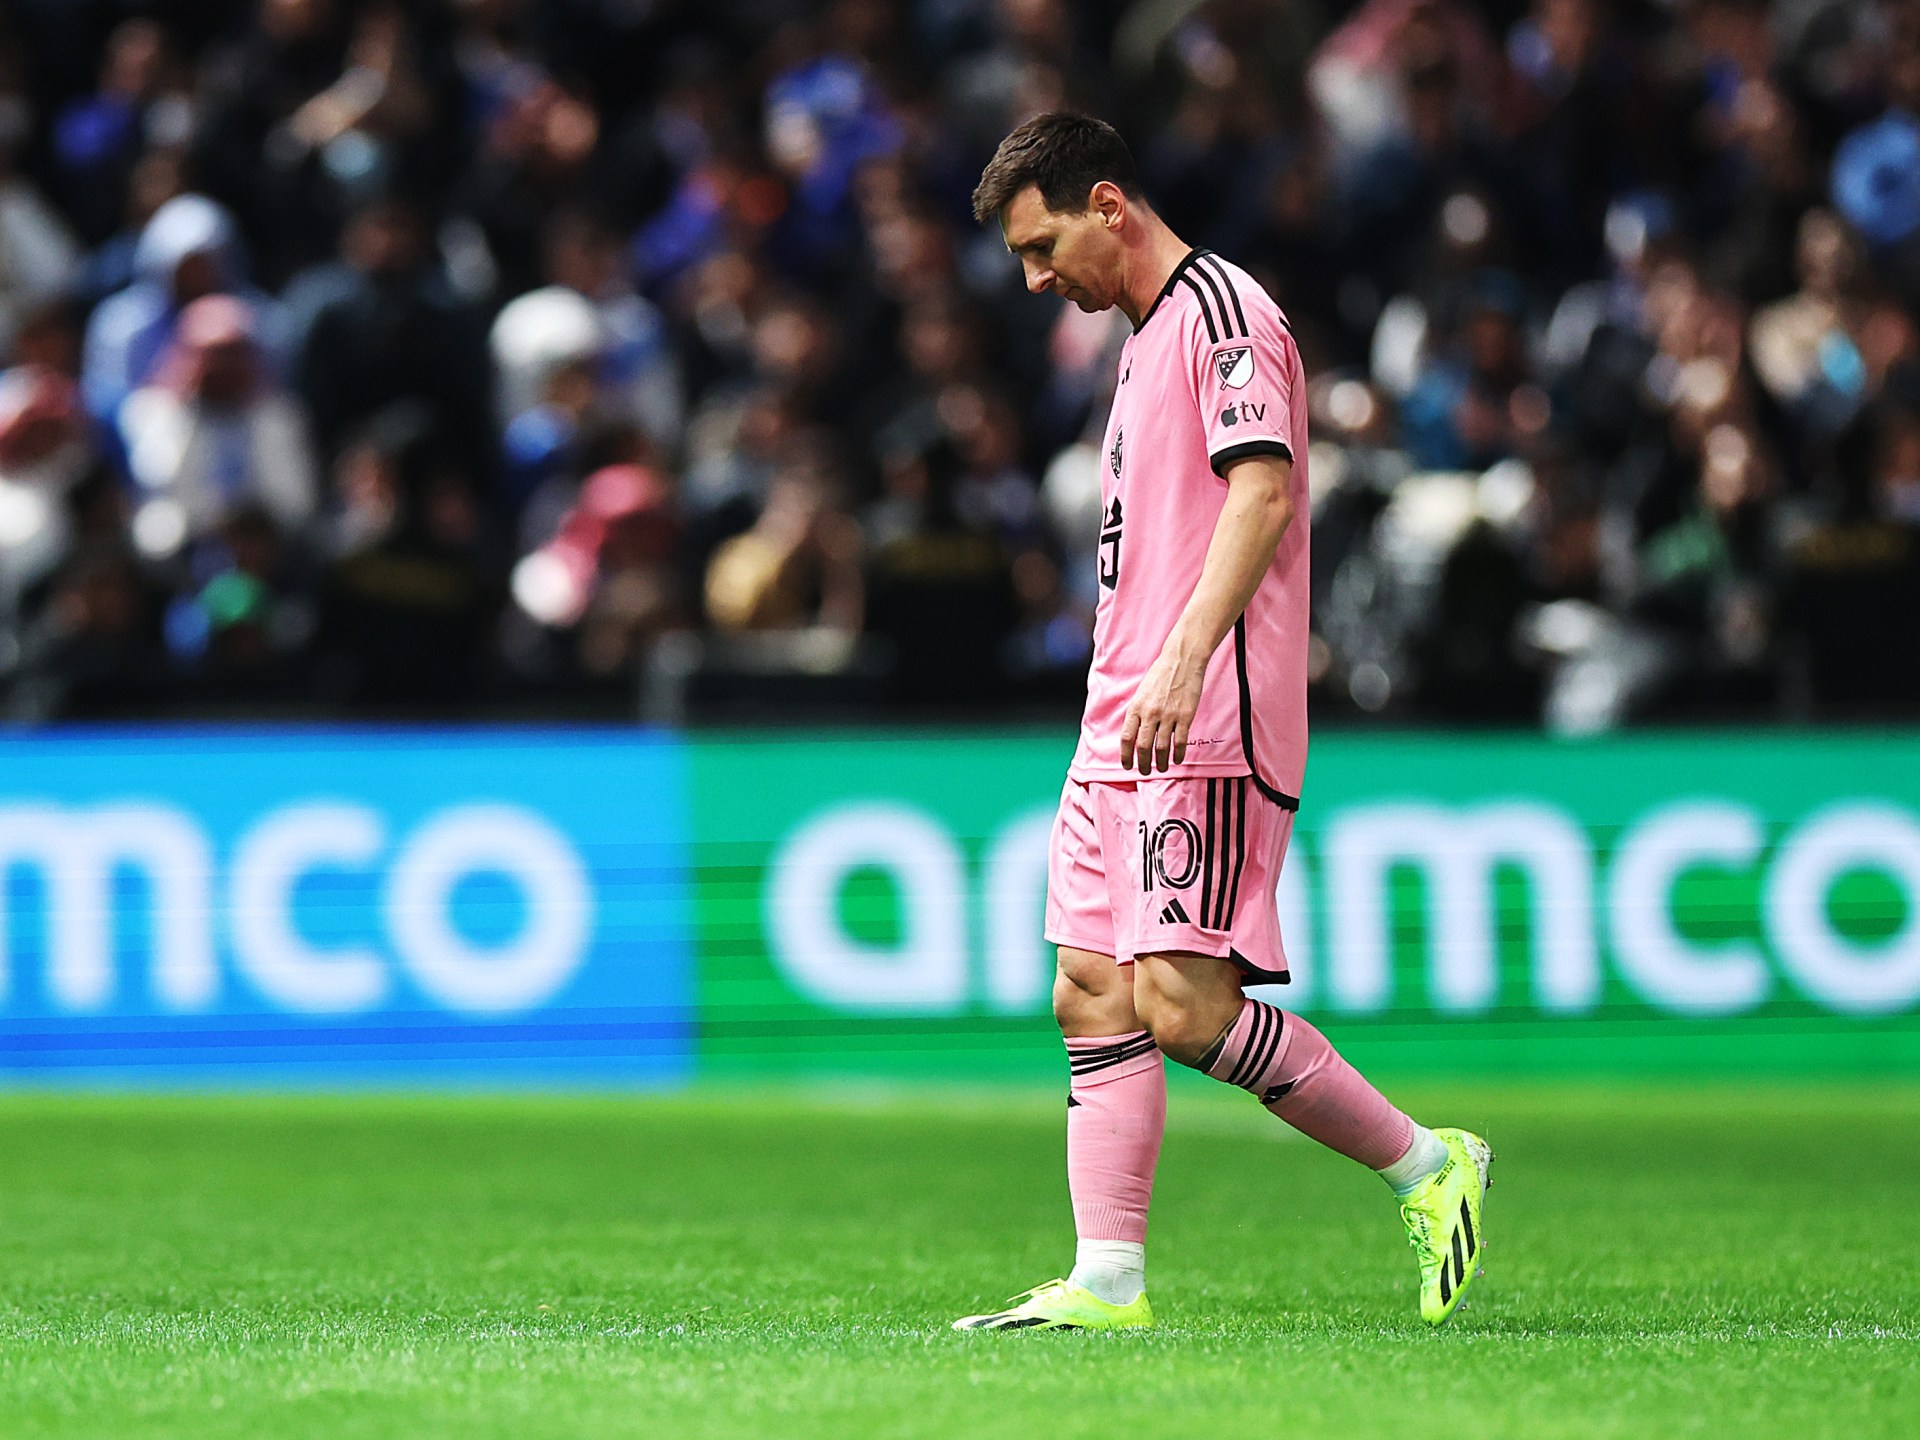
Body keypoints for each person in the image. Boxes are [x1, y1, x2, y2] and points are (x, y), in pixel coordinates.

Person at [953, 113, 1492, 1334]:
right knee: (1090, 988)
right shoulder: (1146, 340)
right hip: (1120, 718)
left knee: (1186, 1008)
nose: (1036, 280)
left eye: (1042, 248)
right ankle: (1107, 1281)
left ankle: (1428, 1164)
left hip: (1202, 712)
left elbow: (1265, 491)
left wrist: (1186, 658)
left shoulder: (1225, 313)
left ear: (1107, 203)